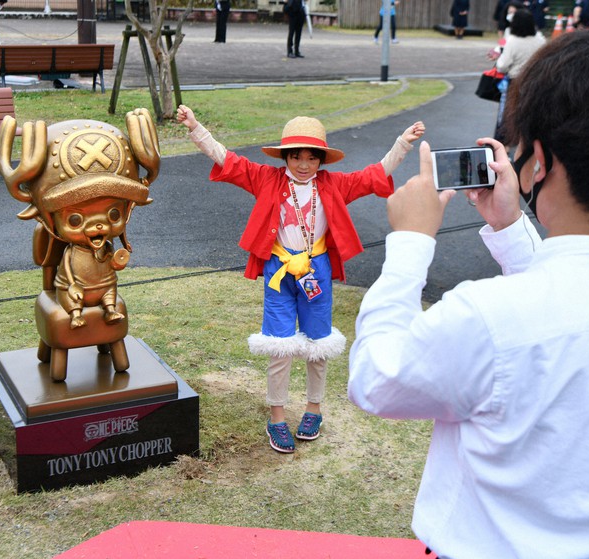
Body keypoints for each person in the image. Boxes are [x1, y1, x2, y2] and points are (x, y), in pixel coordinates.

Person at [348, 31, 589, 558]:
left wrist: (410, 246)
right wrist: (510, 228)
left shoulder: (485, 316)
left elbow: (377, 379)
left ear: (539, 161)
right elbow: (572, 299)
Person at [177, 103, 425, 454]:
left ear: (322, 160)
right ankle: (276, 417)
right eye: (296, 157)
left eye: (312, 158)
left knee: (317, 344)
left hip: (316, 272)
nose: (304, 165)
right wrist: (195, 127)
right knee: (279, 346)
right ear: (286, 158)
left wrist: (403, 142)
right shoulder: (267, 178)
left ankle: (313, 409)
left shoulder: (334, 185)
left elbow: (375, 174)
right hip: (278, 273)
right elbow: (227, 160)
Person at [493, 9, 545, 144]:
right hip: (535, 81)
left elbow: (502, 65)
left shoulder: (513, 41)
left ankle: (504, 146)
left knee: (508, 114)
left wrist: (498, 60)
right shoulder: (540, 40)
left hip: (515, 81)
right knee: (529, 114)